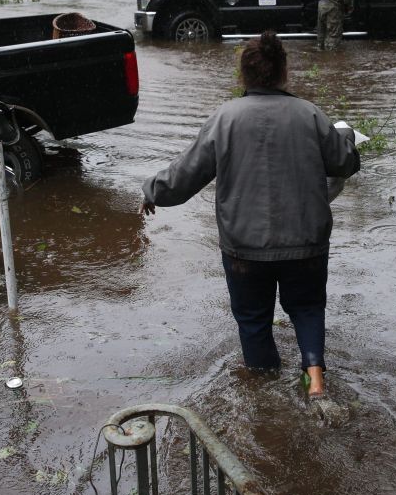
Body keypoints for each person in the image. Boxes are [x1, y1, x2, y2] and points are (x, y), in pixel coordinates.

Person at [140, 31, 360, 406]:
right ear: (284, 72)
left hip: (244, 248)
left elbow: (186, 174)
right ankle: (316, 383)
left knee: (254, 321)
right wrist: (348, 138)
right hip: (305, 242)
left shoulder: (224, 118)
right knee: (307, 309)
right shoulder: (310, 114)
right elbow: (345, 163)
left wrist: (152, 191)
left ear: (243, 76)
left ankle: (265, 402)